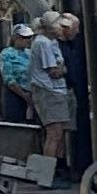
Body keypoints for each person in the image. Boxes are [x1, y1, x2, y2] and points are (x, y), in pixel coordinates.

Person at [27, 15, 76, 178]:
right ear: (50, 27)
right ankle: (47, 175)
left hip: (59, 91)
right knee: (53, 134)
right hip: (48, 91)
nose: (62, 29)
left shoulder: (53, 42)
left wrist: (63, 69)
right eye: (59, 26)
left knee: (60, 133)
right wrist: (64, 69)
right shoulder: (42, 43)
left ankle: (60, 168)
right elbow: (54, 72)